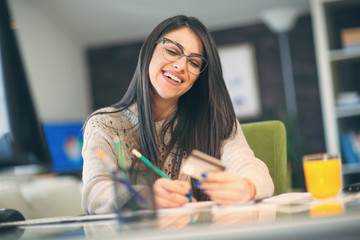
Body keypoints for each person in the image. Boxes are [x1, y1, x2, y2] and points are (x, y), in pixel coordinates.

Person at [81, 15, 274, 214]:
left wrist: (246, 187)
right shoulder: (104, 124)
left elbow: (250, 167)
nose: (181, 66)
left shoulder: (215, 120)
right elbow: (94, 192)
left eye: (194, 63)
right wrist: (145, 197)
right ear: (149, 51)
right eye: (172, 51)